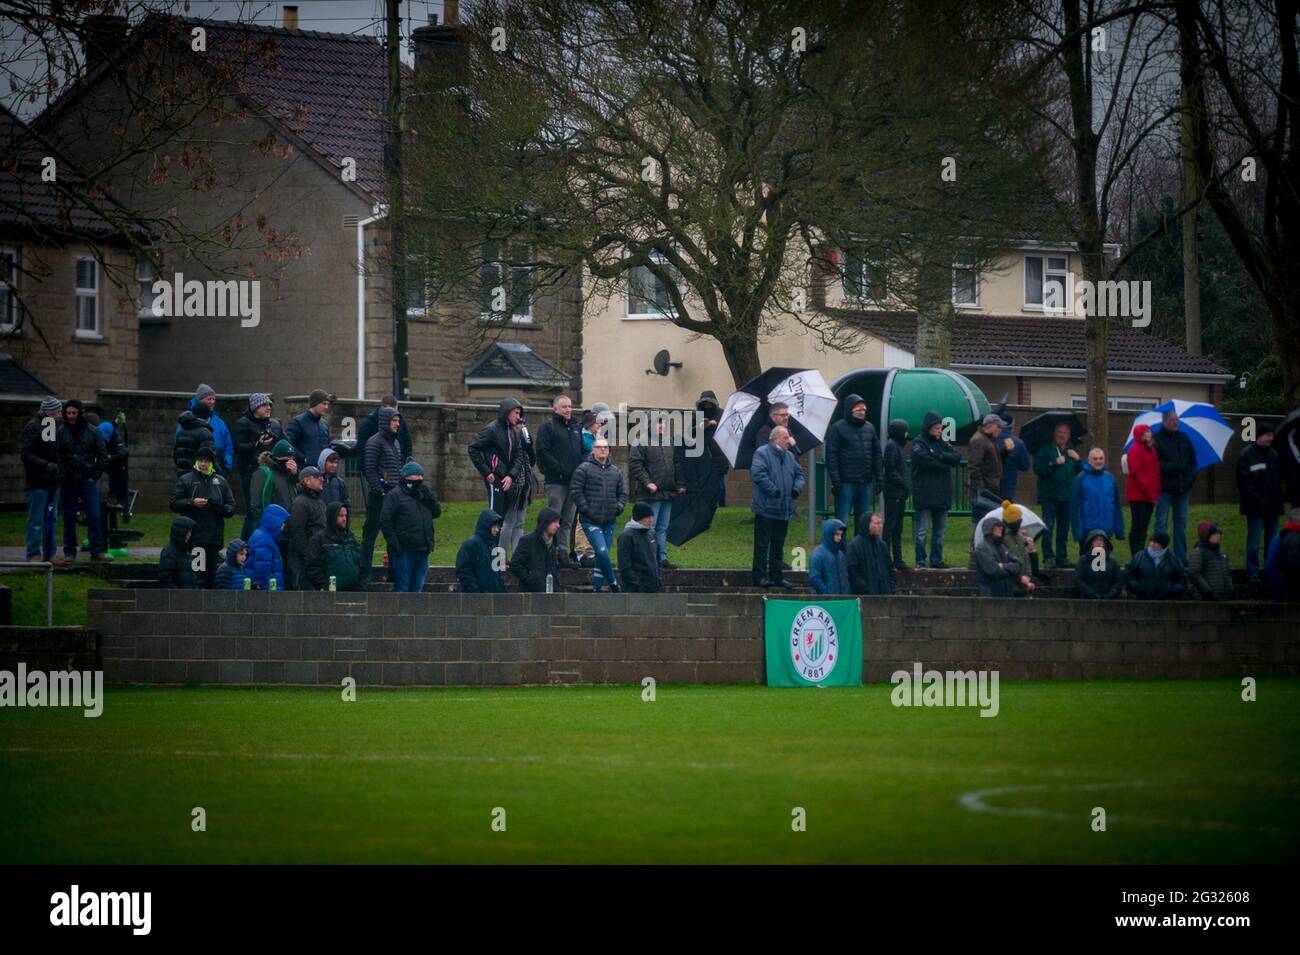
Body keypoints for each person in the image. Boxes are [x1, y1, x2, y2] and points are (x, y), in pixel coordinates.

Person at [467, 397, 530, 555]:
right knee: (494, 518)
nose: (518, 416)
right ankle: (493, 557)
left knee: (504, 521)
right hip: (495, 480)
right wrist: (487, 471)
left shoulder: (514, 432)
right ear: (507, 412)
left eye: (519, 413)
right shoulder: (491, 429)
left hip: (508, 481)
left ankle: (498, 558)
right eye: (515, 413)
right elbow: (473, 448)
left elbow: (519, 456)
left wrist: (511, 476)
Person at [170, 444, 237, 588]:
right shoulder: (186, 480)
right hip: (194, 537)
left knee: (211, 576)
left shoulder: (221, 482)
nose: (203, 464)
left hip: (213, 538)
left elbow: (231, 508)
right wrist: (191, 502)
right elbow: (174, 503)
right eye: (200, 460)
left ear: (212, 463)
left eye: (206, 461)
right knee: (195, 574)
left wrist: (217, 507)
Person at [750, 425, 804, 588]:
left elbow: (799, 475)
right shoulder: (761, 453)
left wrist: (796, 489)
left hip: (784, 508)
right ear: (776, 439)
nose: (789, 441)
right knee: (762, 545)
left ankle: (777, 576)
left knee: (778, 545)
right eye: (786, 438)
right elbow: (758, 475)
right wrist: (775, 492)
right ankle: (759, 577)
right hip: (766, 508)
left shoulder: (789, 457)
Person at [570, 436, 627, 593]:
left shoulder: (616, 472)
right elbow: (575, 491)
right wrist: (586, 509)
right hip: (590, 521)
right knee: (601, 552)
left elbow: (623, 494)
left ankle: (596, 588)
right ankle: (614, 583)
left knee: (602, 557)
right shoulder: (584, 469)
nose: (603, 449)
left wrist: (619, 507)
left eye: (606, 447)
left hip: (609, 520)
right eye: (599, 447)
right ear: (593, 450)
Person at [629, 413, 685, 569]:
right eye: (659, 423)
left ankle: (661, 557)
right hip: (650, 494)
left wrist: (680, 483)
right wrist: (648, 482)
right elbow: (635, 464)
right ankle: (648, 557)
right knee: (649, 527)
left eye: (664, 423)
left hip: (668, 492)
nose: (662, 425)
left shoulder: (670, 442)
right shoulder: (641, 442)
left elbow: (677, 464)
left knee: (662, 528)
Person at [57, 398, 109, 563]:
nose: (71, 416)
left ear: (80, 413)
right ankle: (69, 552)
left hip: (87, 480)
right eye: (68, 413)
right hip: (69, 481)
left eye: (74, 413)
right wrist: (63, 473)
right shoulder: (60, 431)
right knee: (69, 518)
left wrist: (94, 476)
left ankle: (96, 551)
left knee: (94, 516)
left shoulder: (93, 431)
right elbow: (56, 455)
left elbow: (102, 456)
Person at [825, 394, 882, 537]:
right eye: (858, 409)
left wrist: (880, 478)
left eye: (864, 410)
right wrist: (836, 480)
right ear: (850, 410)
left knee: (864, 522)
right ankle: (839, 551)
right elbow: (831, 455)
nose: (862, 412)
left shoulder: (870, 428)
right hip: (845, 482)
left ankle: (860, 552)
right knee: (841, 521)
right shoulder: (837, 428)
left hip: (865, 482)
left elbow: (876, 454)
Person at [380, 461, 442, 593]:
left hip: (423, 549)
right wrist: (396, 546)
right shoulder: (394, 496)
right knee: (403, 587)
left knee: (417, 588)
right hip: (404, 552)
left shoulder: (423, 494)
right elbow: (385, 522)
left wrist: (429, 497)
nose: (419, 480)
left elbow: (437, 512)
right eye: (416, 477)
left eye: (421, 477)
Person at [910, 410, 961, 569]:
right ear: (929, 427)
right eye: (938, 428)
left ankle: (936, 559)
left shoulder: (943, 443)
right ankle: (920, 561)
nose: (940, 431)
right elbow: (925, 462)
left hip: (942, 494)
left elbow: (957, 457)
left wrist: (939, 456)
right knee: (922, 531)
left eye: (941, 428)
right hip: (924, 493)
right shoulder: (919, 442)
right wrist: (945, 462)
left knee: (940, 531)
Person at [537, 395, 583, 567]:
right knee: (552, 519)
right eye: (564, 407)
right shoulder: (548, 427)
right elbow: (542, 451)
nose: (568, 410)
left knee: (568, 520)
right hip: (556, 481)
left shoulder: (575, 428)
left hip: (573, 482)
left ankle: (561, 552)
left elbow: (581, 451)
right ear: (555, 409)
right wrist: (560, 469)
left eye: (570, 406)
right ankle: (548, 551)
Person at [21, 396, 65, 566]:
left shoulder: (51, 426)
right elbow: (26, 454)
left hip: (52, 482)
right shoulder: (33, 426)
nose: (60, 415)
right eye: (58, 411)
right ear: (50, 412)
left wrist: (59, 469)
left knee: (50, 520)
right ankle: (33, 555)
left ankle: (49, 554)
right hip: (37, 483)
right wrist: (47, 465)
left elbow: (55, 452)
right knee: (36, 521)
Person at [361, 406, 404, 582]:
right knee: (370, 535)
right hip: (378, 498)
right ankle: (365, 573)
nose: (397, 424)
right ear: (385, 422)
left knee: (393, 536)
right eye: (394, 421)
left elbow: (397, 469)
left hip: (394, 497)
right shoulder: (374, 442)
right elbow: (369, 468)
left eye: (398, 421)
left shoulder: (395, 442)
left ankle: (394, 573)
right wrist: (380, 491)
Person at [232, 393, 284, 539]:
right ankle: (245, 545)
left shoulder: (271, 424)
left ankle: (262, 541)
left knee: (267, 509)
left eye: (269, 405)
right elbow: (238, 447)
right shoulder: (243, 423)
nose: (268, 408)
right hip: (250, 472)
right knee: (252, 510)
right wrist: (257, 444)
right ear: (255, 407)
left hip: (268, 472)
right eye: (264, 405)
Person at [1236, 422, 1283, 584]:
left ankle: (1270, 571)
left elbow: (1277, 481)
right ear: (1260, 436)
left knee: (1272, 541)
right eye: (1268, 435)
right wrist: (1258, 499)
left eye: (1272, 435)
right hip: (1254, 507)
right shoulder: (1246, 455)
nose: (1271, 438)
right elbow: (1243, 481)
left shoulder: (1274, 455)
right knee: (1254, 541)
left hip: (1273, 507)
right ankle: (1252, 572)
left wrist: (1276, 499)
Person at [1033, 422, 1081, 568]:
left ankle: (1062, 557)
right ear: (1054, 433)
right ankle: (1048, 557)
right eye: (1059, 431)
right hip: (1050, 496)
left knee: (1063, 529)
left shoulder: (1071, 452)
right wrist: (1053, 463)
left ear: (1069, 435)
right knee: (1048, 526)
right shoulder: (1046, 449)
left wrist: (1078, 460)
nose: (1062, 435)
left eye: (1065, 432)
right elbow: (1038, 469)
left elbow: (1080, 472)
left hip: (1067, 497)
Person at [1154, 409, 1197, 563]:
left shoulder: (1184, 438)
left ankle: (1181, 558)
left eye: (1177, 419)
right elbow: (1156, 464)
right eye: (1172, 420)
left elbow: (1193, 460)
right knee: (1161, 523)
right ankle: (1159, 556)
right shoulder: (1156, 439)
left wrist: (1191, 479)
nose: (1176, 422)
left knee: (1181, 524)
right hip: (1164, 489)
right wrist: (1175, 466)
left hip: (1182, 489)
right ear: (1164, 421)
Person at [1069, 447, 1124, 553]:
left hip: (1106, 529)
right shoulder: (1080, 479)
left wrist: (1119, 530)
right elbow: (1074, 508)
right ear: (1089, 460)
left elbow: (1116, 505)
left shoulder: (1110, 478)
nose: (1098, 461)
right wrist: (1078, 532)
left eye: (1101, 458)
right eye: (1095, 459)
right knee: (1088, 563)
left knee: (1103, 564)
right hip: (1088, 531)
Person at [305, 502, 363, 592]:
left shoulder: (351, 539)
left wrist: (360, 585)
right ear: (332, 517)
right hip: (330, 593)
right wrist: (322, 585)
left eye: (345, 516)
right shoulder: (319, 540)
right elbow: (312, 566)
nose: (344, 519)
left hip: (354, 592)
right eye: (340, 516)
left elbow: (361, 563)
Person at [285, 465, 326, 589]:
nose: (322, 479)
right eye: (317, 477)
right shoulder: (300, 503)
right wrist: (307, 554)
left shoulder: (320, 502)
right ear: (307, 481)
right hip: (302, 558)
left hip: (315, 556)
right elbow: (297, 531)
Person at [1122, 423, 1160, 557]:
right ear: (1141, 434)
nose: (1150, 433)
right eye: (1147, 431)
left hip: (1149, 495)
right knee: (1138, 524)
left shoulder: (1151, 450)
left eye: (1149, 431)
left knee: (1144, 525)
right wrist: (1146, 489)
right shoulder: (1135, 449)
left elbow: (1154, 472)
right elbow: (1136, 472)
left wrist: (1154, 491)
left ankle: (1140, 551)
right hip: (1138, 495)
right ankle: (1136, 552)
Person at [967, 413, 1005, 536]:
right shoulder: (979, 440)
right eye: (998, 426)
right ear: (989, 426)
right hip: (983, 492)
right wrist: (980, 489)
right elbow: (974, 466)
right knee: (979, 524)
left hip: (990, 490)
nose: (1001, 430)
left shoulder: (990, 440)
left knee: (990, 524)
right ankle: (975, 551)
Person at [881, 419, 911, 572]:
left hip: (899, 493)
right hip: (894, 494)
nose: (907, 435)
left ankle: (898, 559)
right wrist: (903, 484)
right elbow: (891, 470)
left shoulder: (896, 446)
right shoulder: (892, 447)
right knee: (891, 527)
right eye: (905, 431)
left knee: (897, 528)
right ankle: (887, 559)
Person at [249, 439, 298, 528]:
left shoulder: (291, 474)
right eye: (286, 460)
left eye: (292, 459)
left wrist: (295, 475)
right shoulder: (263, 473)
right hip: (271, 526)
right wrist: (263, 525)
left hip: (290, 525)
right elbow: (256, 504)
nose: (289, 463)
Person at [1124, 530, 1186, 600]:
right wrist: (1135, 586)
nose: (1152, 544)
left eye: (1156, 542)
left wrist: (1174, 589)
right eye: (1152, 541)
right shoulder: (1139, 556)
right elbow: (1128, 572)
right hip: (1141, 599)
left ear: (1163, 545)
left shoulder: (1173, 559)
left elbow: (1182, 576)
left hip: (1167, 600)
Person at [510, 507, 561, 592]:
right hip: (530, 593)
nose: (558, 525)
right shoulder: (527, 541)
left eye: (558, 522)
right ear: (546, 522)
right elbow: (515, 564)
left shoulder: (554, 544)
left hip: (550, 593)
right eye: (555, 522)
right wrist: (530, 579)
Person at [973, 519, 1028, 598]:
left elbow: (1018, 564)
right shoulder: (982, 548)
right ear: (989, 528)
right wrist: (1010, 569)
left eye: (1001, 526)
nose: (1001, 528)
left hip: (1007, 594)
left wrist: (1003, 566)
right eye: (997, 526)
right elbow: (993, 571)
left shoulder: (1002, 547)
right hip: (991, 596)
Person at [456, 508, 506, 593]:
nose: (497, 530)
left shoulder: (494, 546)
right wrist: (476, 592)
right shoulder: (470, 545)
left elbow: (498, 575)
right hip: (477, 598)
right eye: (494, 526)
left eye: (498, 527)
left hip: (493, 597)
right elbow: (463, 572)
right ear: (487, 525)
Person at [617, 501, 661, 593]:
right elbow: (624, 565)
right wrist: (637, 585)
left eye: (651, 517)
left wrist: (658, 579)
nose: (651, 520)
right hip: (635, 590)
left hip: (653, 586)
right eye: (647, 517)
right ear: (639, 518)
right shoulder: (626, 536)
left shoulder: (652, 533)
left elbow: (656, 559)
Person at [846, 512, 895, 595]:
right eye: (877, 523)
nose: (880, 526)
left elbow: (890, 568)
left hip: (885, 594)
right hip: (865, 596)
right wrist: (864, 589)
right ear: (867, 524)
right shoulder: (854, 546)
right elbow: (852, 572)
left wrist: (891, 588)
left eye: (881, 523)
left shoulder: (882, 545)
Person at [355, 394, 413, 464]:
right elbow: (362, 451)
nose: (394, 414)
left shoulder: (400, 422)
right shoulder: (369, 424)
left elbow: (407, 446)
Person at [696, 390, 730, 505]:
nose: (707, 406)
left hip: (719, 449)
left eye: (709, 403)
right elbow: (691, 433)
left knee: (719, 478)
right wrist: (702, 427)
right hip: (704, 450)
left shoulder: (721, 414)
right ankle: (710, 501)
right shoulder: (698, 415)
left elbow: (728, 429)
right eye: (705, 404)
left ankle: (721, 501)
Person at [999, 501, 1039, 596]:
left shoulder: (1020, 538)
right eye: (1017, 521)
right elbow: (1007, 566)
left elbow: (1029, 563)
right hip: (1012, 589)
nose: (1019, 522)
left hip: (1025, 587)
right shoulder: (1002, 540)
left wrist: (1032, 551)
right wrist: (1023, 579)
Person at [285, 390, 333, 471]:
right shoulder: (297, 422)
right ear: (315, 403)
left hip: (322, 472)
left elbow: (327, 446)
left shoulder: (324, 424)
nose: (326, 407)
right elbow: (288, 444)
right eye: (324, 403)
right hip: (304, 471)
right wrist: (303, 459)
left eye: (328, 404)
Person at [246, 503, 288, 591]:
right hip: (267, 594)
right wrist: (270, 593)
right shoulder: (265, 541)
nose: (283, 526)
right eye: (283, 523)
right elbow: (263, 570)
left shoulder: (262, 536)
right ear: (275, 522)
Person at [1188, 521, 1234, 601]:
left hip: (1225, 598)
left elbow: (1228, 573)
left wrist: (1230, 588)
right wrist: (1208, 591)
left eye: (1219, 533)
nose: (1219, 535)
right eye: (1215, 533)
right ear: (1207, 535)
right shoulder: (1199, 552)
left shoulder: (1222, 553)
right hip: (1208, 600)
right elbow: (1193, 574)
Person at [1073, 529, 1124, 599]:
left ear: (1105, 543)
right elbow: (1078, 580)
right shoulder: (1083, 560)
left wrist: (1110, 594)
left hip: (1108, 600)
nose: (1098, 542)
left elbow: (1117, 580)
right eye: (1096, 540)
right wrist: (1092, 594)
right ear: (1091, 543)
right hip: (1086, 599)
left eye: (1101, 540)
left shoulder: (1112, 561)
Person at [1264, 507, 1300, 602]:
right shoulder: (1289, 538)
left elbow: (1269, 566)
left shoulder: (1279, 537)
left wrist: (1278, 586)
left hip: (1283, 589)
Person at [173, 401, 216, 477]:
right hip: (198, 477)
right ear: (206, 417)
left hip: (181, 475)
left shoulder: (181, 432)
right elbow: (208, 456)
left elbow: (176, 456)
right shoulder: (205, 433)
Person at [809, 518, 850, 595]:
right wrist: (826, 593)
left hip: (843, 599)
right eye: (837, 534)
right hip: (826, 602)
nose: (839, 538)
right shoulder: (817, 554)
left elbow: (845, 577)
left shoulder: (840, 554)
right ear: (829, 533)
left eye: (841, 534)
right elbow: (814, 578)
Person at [158, 516, 199, 589]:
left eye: (190, 532)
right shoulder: (170, 551)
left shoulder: (187, 550)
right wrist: (177, 594)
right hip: (178, 597)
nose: (190, 534)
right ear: (180, 532)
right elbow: (165, 577)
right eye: (188, 532)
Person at [99, 409, 129, 504]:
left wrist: (110, 457)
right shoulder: (104, 431)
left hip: (116, 463)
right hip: (106, 461)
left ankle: (121, 499)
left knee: (119, 474)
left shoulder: (116, 439)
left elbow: (123, 453)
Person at [998, 416, 1030, 500]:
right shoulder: (1018, 443)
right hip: (1008, 486)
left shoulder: (990, 439)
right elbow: (1025, 466)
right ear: (1012, 426)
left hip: (989, 484)